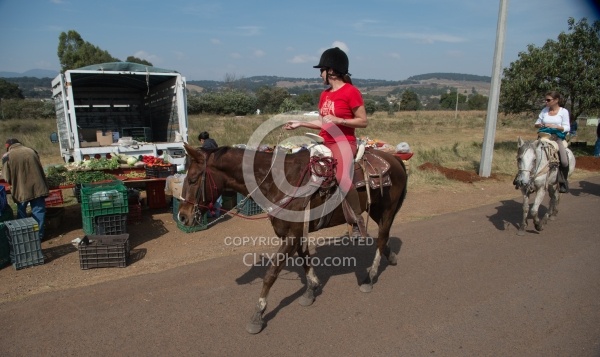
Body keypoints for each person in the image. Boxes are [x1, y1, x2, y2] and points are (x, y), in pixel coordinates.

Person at [283, 47, 369, 238]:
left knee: (342, 179)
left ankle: (357, 221)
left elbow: (363, 121)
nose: (319, 74)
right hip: (324, 141)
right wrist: (300, 123)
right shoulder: (325, 95)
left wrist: (340, 121)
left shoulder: (351, 92)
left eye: (321, 70)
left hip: (343, 142)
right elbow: (323, 121)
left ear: (330, 71)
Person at [2, 139, 49, 241]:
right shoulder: (31, 151)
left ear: (8, 146)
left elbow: (6, 177)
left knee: (22, 212)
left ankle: (24, 237)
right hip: (38, 187)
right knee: (39, 211)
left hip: (21, 190)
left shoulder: (7, 156)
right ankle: (39, 236)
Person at [534, 91, 571, 193]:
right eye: (545, 100)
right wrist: (539, 125)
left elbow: (567, 127)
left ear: (556, 100)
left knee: (564, 161)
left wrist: (556, 126)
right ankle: (524, 179)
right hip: (543, 136)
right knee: (529, 154)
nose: (546, 102)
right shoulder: (544, 110)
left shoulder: (563, 112)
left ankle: (563, 181)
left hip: (556, 137)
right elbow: (537, 123)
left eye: (548, 100)